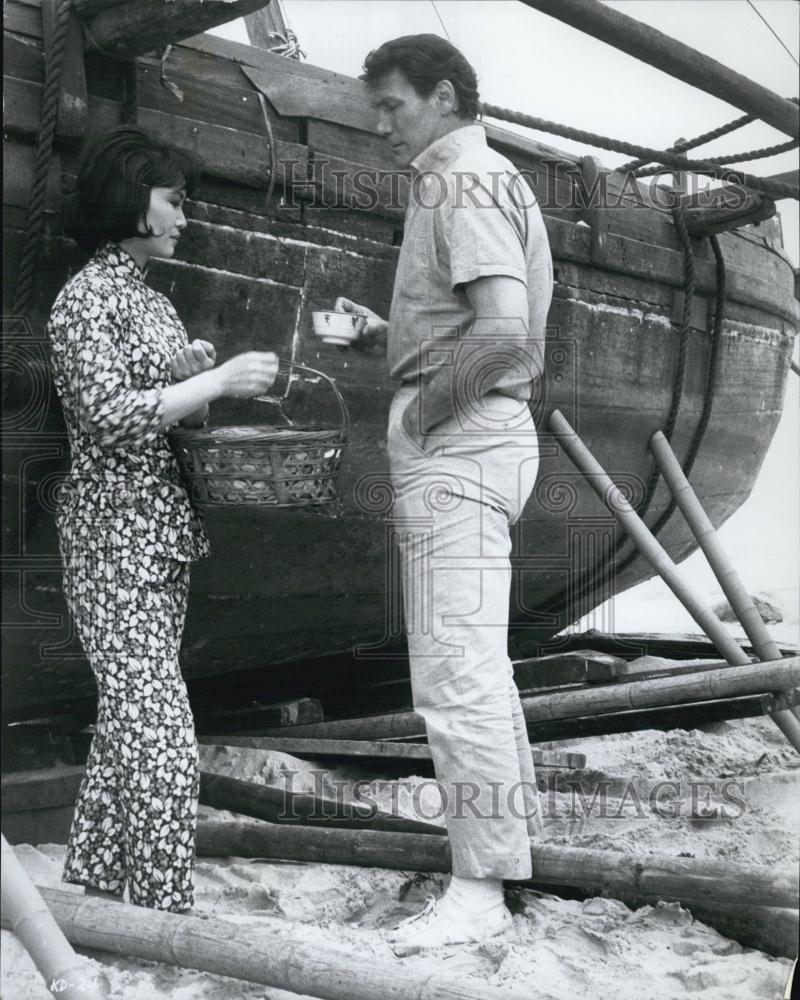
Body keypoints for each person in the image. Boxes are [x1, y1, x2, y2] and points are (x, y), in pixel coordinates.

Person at [335, 35, 553, 953]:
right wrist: (395, 338)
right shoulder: (487, 174)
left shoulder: (458, 181)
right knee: (482, 670)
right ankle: (513, 848)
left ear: (446, 96)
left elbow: (502, 334)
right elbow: (486, 321)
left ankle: (480, 889)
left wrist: (424, 415)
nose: (379, 124)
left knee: (455, 678)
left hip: (460, 446)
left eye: (393, 106)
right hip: (487, 438)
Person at [48, 126, 279, 912]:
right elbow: (107, 418)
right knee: (160, 729)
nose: (186, 216)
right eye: (174, 200)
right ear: (130, 199)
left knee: (129, 723)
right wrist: (212, 377)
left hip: (162, 532)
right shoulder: (83, 299)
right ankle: (163, 905)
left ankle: (91, 887)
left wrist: (193, 385)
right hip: (113, 536)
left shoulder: (150, 300)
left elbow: (182, 429)